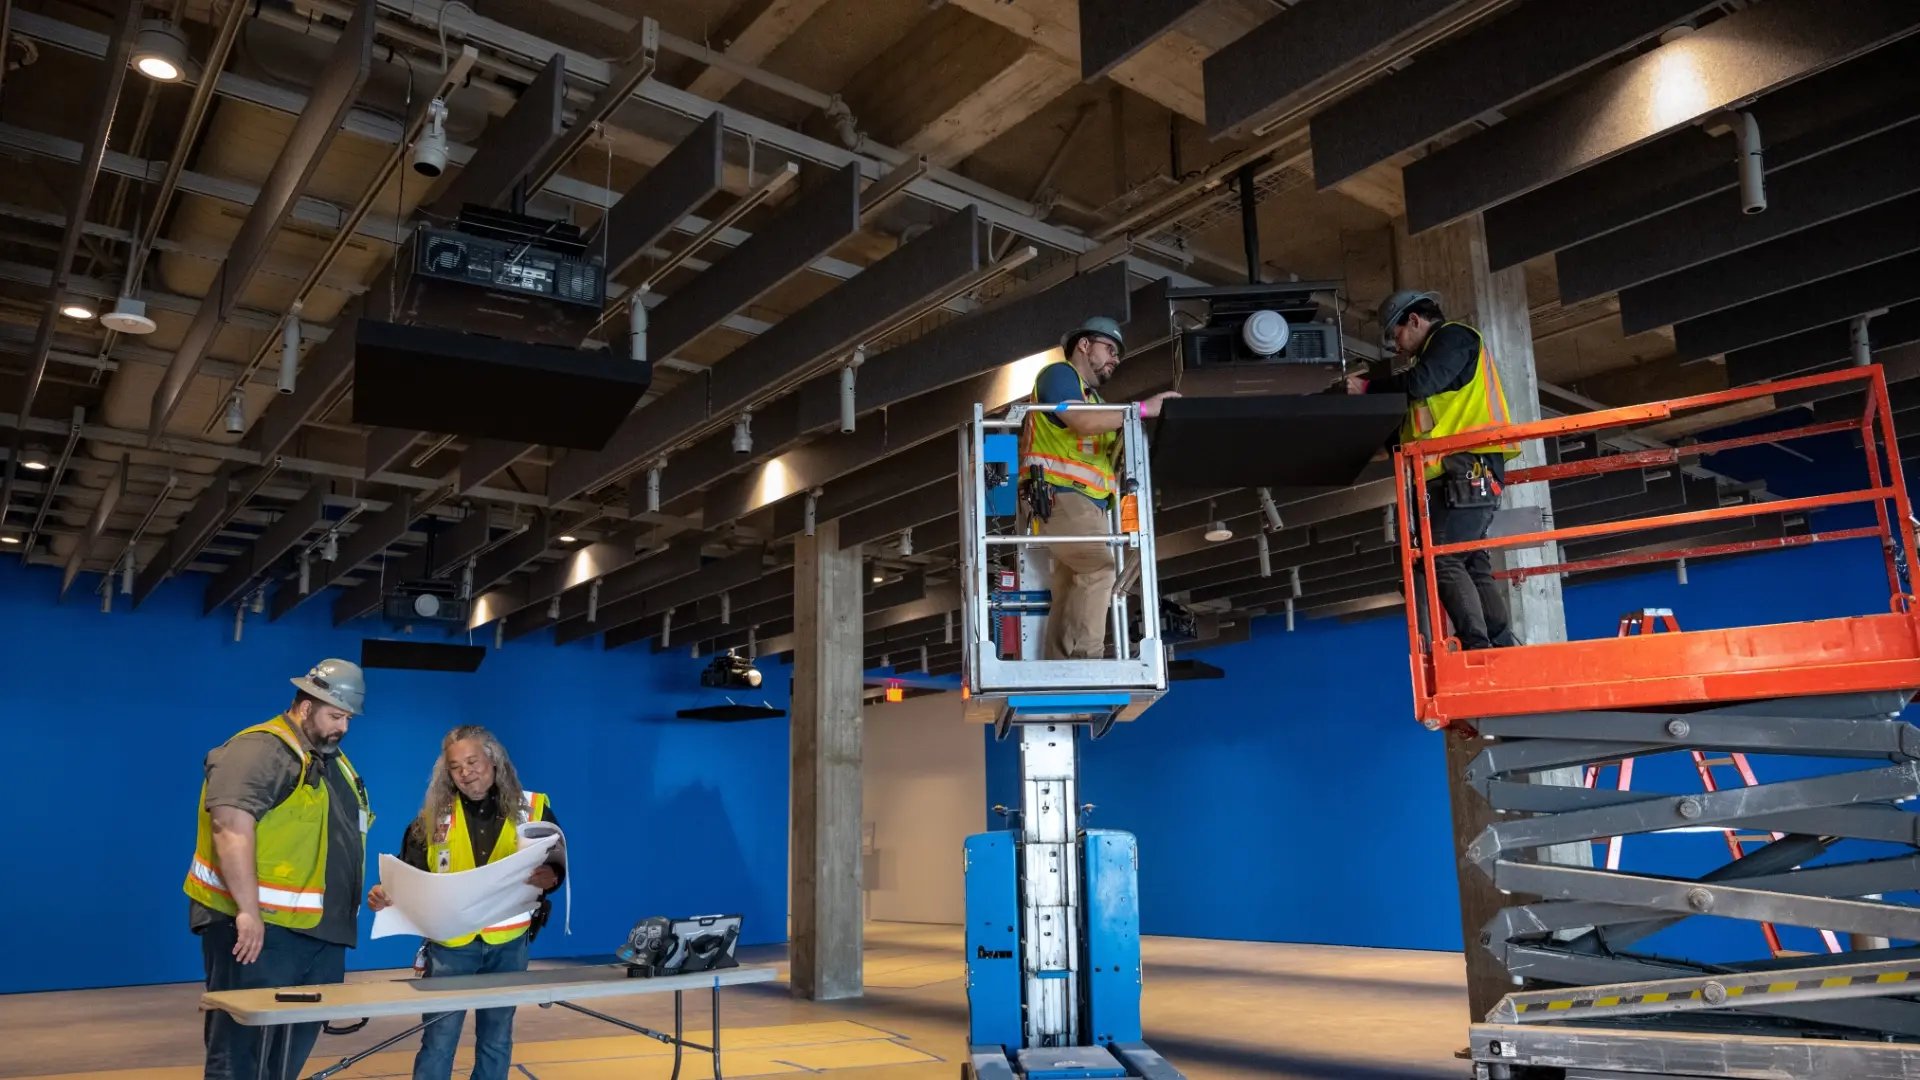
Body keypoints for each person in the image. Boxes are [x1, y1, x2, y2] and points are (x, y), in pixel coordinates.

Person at [186, 659, 373, 1080]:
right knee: (240, 1054)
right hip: (262, 932)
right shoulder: (261, 749)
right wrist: (248, 912)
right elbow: (229, 825)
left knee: (284, 1056)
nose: (342, 727)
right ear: (306, 706)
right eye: (335, 715)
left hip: (318, 934)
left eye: (347, 718)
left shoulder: (331, 761)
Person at [368, 725, 562, 1080]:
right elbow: (407, 877)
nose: (465, 772)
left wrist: (552, 879)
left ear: (494, 760)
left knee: (496, 1038)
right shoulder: (429, 821)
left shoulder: (535, 808)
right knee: (439, 1039)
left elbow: (556, 866)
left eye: (473, 761)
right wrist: (384, 893)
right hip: (450, 947)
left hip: (509, 944)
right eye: (455, 767)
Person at [1348, 290, 1522, 650]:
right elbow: (1409, 431)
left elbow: (1417, 384)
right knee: (1470, 559)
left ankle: (1478, 645)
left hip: (1466, 467)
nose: (1397, 347)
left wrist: (1366, 388)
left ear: (1414, 320)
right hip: (1457, 473)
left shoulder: (1454, 339)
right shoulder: (1432, 366)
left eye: (1396, 336)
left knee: (1442, 559)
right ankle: (1499, 642)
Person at [1022, 315, 1179, 660]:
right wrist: (1143, 409)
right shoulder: (1061, 376)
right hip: (1061, 495)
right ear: (1083, 345)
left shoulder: (1093, 399)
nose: (1115, 359)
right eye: (1109, 349)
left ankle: (1060, 664)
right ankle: (1085, 661)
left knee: (1071, 586)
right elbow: (1079, 421)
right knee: (1099, 570)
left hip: (1084, 505)